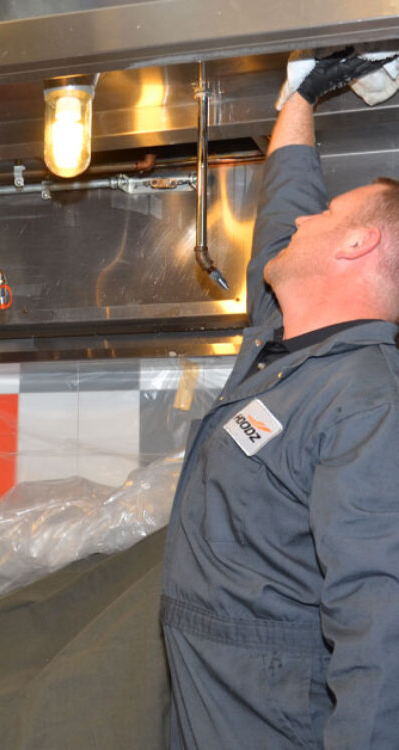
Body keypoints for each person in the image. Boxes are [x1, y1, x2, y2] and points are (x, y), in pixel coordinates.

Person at [161, 51, 399, 748]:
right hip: (209, 704)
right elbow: (284, 213)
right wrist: (299, 99)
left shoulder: (364, 404)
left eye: (326, 215)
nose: (302, 222)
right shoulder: (282, 346)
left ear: (359, 241)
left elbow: (381, 630)